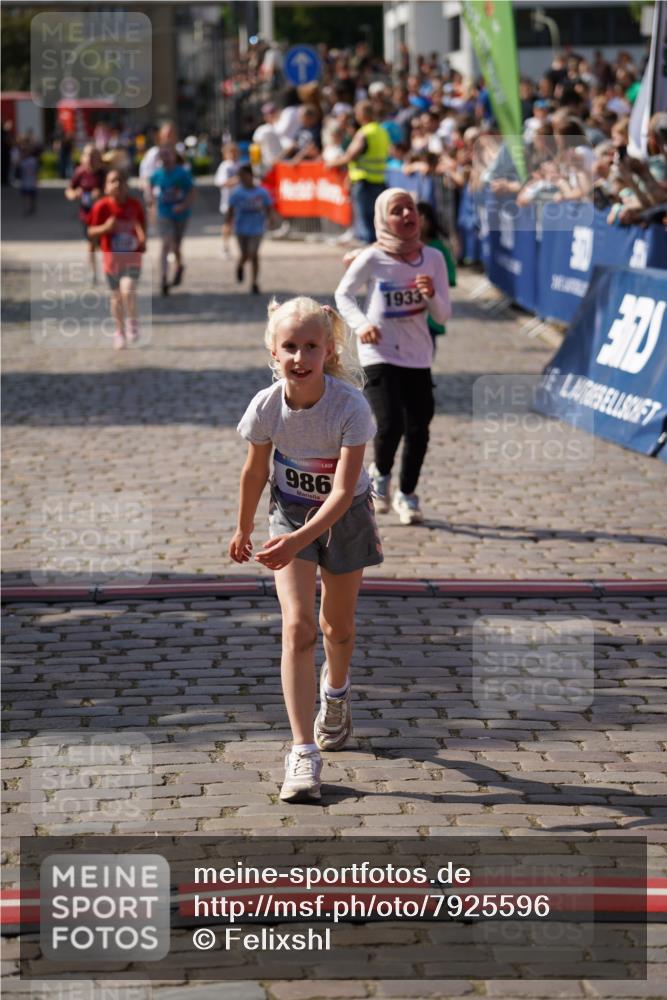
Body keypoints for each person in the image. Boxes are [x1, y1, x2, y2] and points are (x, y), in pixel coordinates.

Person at [229, 296, 383, 802]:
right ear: (273, 352)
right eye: (289, 347)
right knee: (296, 627)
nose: (299, 357)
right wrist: (244, 527)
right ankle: (302, 752)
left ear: (329, 349)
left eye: (310, 346)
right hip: (289, 514)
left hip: (345, 518)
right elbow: (255, 470)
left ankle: (334, 694)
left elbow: (341, 492)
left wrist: (299, 539)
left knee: (336, 628)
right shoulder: (266, 405)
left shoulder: (349, 407)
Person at [335, 188, 451, 525]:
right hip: (378, 351)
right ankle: (381, 475)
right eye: (397, 211)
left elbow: (443, 316)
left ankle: (408, 495)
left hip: (418, 355)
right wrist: (361, 325)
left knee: (420, 427)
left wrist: (430, 296)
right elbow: (344, 294)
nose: (406, 215)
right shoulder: (372, 258)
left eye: (410, 208)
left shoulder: (433, 258)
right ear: (384, 219)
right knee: (390, 423)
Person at [87, 169, 146, 350]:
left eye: (120, 180)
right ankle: (119, 332)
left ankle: (132, 322)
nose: (117, 184)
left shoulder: (134, 205)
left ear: (127, 185)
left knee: (128, 288)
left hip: (132, 256)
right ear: (106, 187)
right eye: (112, 181)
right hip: (111, 259)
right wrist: (105, 227)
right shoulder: (102, 207)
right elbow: (91, 231)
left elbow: (141, 225)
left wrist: (143, 240)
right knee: (116, 297)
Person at [328, 100, 390, 243]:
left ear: (362, 114)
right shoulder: (382, 131)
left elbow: (350, 156)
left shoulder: (364, 133)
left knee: (366, 222)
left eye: (356, 113)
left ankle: (371, 254)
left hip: (364, 182)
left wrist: (332, 163)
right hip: (379, 180)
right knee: (377, 221)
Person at [149, 144, 195, 295]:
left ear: (174, 156)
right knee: (166, 244)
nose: (165, 158)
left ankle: (179, 266)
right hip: (164, 213)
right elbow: (148, 183)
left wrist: (183, 205)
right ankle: (163, 278)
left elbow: (192, 191)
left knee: (176, 246)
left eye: (168, 154)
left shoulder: (182, 173)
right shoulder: (157, 174)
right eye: (162, 155)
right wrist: (150, 199)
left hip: (181, 215)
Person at [225, 164, 274, 295]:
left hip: (257, 228)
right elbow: (230, 209)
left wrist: (270, 219)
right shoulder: (237, 193)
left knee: (254, 254)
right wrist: (228, 225)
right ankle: (240, 266)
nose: (243, 179)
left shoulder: (261, 192)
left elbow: (268, 207)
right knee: (245, 254)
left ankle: (254, 282)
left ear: (251, 176)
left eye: (244, 176)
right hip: (241, 228)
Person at [416, 201, 456, 349]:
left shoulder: (438, 249)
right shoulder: (402, 247)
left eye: (423, 217)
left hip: (431, 314)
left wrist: (433, 285)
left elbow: (450, 276)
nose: (420, 221)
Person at [66, 144, 106, 284]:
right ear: (83, 157)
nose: (90, 159)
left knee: (104, 244)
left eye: (93, 156)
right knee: (91, 244)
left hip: (103, 216)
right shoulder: (80, 173)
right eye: (88, 155)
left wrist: (101, 194)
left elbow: (115, 191)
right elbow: (69, 190)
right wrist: (74, 194)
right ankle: (94, 273)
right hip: (86, 215)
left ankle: (109, 270)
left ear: (99, 158)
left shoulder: (104, 174)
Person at [213, 141, 240, 257]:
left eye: (234, 152)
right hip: (229, 200)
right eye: (230, 152)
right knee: (227, 224)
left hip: (241, 200)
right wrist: (235, 180)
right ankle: (225, 247)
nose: (233, 155)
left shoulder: (240, 165)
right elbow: (221, 182)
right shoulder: (225, 166)